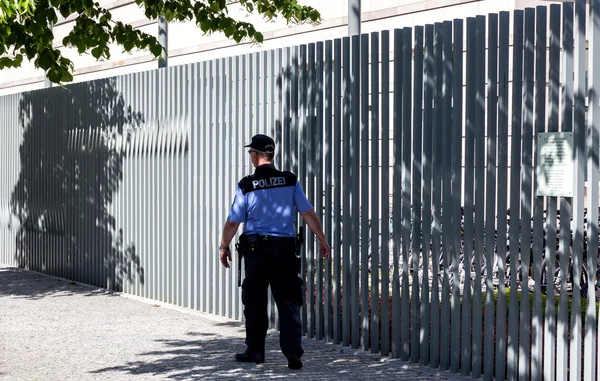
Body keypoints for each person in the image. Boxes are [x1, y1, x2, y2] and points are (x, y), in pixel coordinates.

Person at [219, 134, 330, 370]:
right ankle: (293, 353)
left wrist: (223, 246)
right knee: (289, 302)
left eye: (251, 153)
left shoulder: (247, 184)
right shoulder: (290, 180)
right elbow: (308, 213)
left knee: (255, 302)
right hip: (285, 250)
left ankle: (256, 352)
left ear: (256, 155)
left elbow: (233, 221)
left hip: (256, 251)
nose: (251, 156)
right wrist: (322, 239)